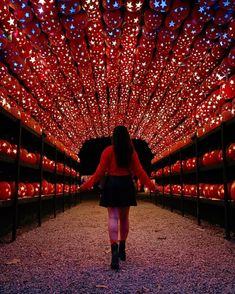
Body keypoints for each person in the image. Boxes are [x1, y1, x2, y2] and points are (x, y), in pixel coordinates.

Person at [80, 126, 158, 270]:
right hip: (126, 184)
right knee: (124, 218)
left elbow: (99, 173)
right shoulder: (131, 152)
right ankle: (122, 247)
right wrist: (152, 187)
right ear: (127, 137)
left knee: (113, 218)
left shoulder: (108, 151)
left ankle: (114, 250)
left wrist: (85, 186)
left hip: (112, 185)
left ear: (113, 138)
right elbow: (140, 171)